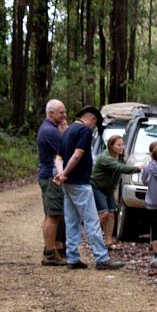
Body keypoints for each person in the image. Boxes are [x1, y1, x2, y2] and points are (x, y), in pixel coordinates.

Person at [54, 105, 124, 271]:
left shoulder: (69, 130)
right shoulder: (84, 131)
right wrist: (65, 173)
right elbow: (77, 155)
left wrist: (61, 174)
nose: (93, 128)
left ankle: (72, 257)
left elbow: (58, 157)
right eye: (95, 124)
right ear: (92, 119)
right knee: (92, 220)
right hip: (80, 183)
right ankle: (101, 257)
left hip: (68, 183)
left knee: (72, 220)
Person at [91, 134, 142, 246]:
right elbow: (121, 168)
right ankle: (93, 235)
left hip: (108, 188)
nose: (121, 147)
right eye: (118, 145)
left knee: (112, 214)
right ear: (111, 146)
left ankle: (108, 241)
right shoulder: (106, 157)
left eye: (122, 145)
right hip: (97, 186)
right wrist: (138, 168)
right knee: (104, 213)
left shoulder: (120, 157)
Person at [36, 99, 68, 266]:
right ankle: (50, 253)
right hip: (51, 177)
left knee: (53, 214)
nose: (64, 115)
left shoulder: (51, 129)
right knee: (53, 215)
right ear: (51, 113)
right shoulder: (50, 131)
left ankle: (53, 248)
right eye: (61, 112)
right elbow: (65, 149)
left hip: (48, 175)